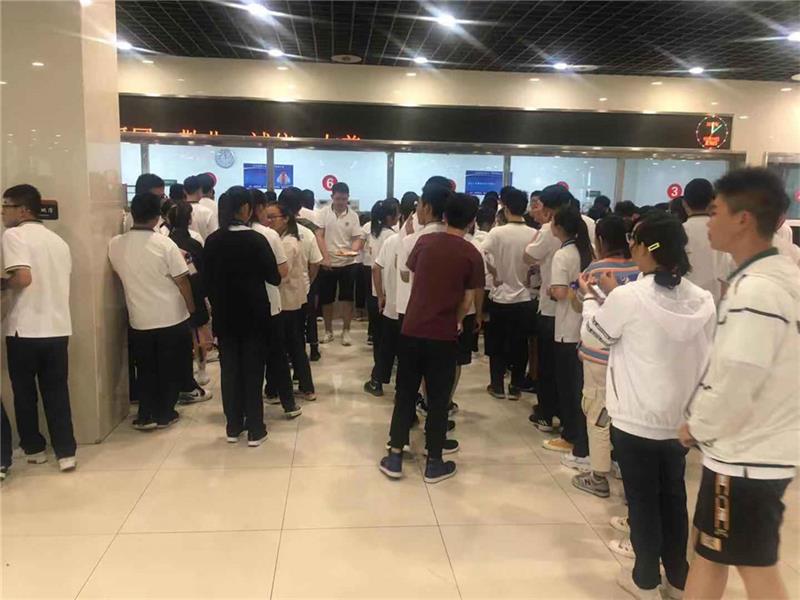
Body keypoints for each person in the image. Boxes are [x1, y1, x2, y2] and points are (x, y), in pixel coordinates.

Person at [579, 211, 716, 600]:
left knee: (641, 502)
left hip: (635, 418)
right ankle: (678, 578)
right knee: (673, 497)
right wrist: (611, 296)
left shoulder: (629, 297)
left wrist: (591, 298)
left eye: (634, 241)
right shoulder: (702, 299)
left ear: (645, 248)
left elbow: (595, 335)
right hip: (679, 419)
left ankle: (644, 580)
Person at [680, 168, 799, 600]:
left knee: (754, 566)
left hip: (747, 454)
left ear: (743, 219)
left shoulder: (757, 292)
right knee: (710, 552)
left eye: (716, 212)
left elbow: (738, 376)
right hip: (753, 449)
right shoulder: (777, 277)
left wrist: (698, 425)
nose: (708, 221)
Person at [380, 191, 484, 484]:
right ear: (472, 221)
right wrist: (456, 320)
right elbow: (467, 299)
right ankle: (434, 462)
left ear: (444, 215)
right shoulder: (472, 254)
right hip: (443, 334)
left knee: (405, 393)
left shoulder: (424, 242)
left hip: (412, 328)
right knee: (438, 399)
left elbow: (410, 276)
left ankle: (395, 455)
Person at [1, 184, 77, 471]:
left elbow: (23, 278)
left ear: (22, 210)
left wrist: (3, 283)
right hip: (58, 327)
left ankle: (34, 449)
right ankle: (66, 452)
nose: (3, 213)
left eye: (5, 207)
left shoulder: (13, 235)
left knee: (25, 393)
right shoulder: (58, 241)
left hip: (24, 329)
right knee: (57, 392)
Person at [109, 191, 195, 432]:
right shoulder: (165, 244)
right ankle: (165, 412)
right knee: (168, 368)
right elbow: (182, 280)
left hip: (139, 318)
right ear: (158, 216)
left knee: (145, 368)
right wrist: (191, 308)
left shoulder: (115, 244)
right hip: (171, 317)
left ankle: (145, 414)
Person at [203, 186, 282, 445]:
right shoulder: (256, 240)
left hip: (225, 314)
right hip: (254, 314)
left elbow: (205, 281)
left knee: (229, 370)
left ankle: (233, 426)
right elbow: (274, 277)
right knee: (253, 370)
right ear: (246, 208)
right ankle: (256, 429)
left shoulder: (213, 240)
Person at [570, 216, 639, 498]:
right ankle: (622, 463)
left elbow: (580, 304)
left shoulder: (596, 269)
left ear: (599, 240)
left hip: (598, 353)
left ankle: (598, 475)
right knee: (624, 413)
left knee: (598, 411)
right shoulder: (639, 268)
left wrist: (582, 292)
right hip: (628, 354)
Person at [547, 205, 594, 460]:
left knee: (567, 386)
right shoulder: (588, 250)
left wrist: (550, 290)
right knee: (579, 386)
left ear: (559, 227)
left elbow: (560, 292)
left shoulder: (562, 255)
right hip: (586, 327)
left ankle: (569, 435)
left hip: (567, 327)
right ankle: (580, 434)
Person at [524, 184, 572, 433]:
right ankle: (567, 415)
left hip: (551, 307)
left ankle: (546, 413)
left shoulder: (548, 229)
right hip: (578, 307)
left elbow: (528, 256)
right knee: (568, 367)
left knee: (548, 365)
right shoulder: (589, 224)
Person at [250, 190, 301, 419]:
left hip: (240, 307)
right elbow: (282, 271)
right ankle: (288, 404)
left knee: (247, 361)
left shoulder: (220, 235)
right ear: (257, 209)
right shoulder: (269, 235)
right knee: (277, 356)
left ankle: (247, 410)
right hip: (269, 303)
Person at [482, 187, 537, 400]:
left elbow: (482, 252)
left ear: (505, 208)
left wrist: (495, 273)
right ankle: (515, 385)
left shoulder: (497, 232)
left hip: (501, 296)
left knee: (497, 344)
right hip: (525, 297)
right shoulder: (533, 233)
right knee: (520, 344)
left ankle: (497, 385)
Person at [364, 194, 417, 396]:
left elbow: (376, 268)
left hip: (392, 305)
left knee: (386, 347)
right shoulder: (422, 241)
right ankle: (403, 391)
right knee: (406, 353)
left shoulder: (393, 240)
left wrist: (380, 296)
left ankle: (377, 382)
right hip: (412, 310)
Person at [265, 201, 316, 403]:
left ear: (285, 219)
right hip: (291, 299)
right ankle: (302, 386)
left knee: (288, 346)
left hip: (287, 301)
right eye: (267, 217)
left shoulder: (287, 243)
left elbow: (281, 275)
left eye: (273, 217)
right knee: (293, 345)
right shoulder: (283, 238)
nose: (269, 221)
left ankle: (280, 388)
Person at [166, 201, 214, 396]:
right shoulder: (195, 242)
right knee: (198, 333)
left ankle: (182, 374)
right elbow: (203, 270)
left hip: (172, 295)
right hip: (195, 291)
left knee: (180, 337)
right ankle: (201, 371)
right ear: (189, 220)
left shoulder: (165, 241)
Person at [317, 182, 363, 346]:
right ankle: (328, 331)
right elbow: (319, 235)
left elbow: (357, 238)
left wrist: (353, 251)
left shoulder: (353, 216)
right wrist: (325, 257)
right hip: (328, 262)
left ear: (348, 198)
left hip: (348, 263)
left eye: (344, 199)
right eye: (338, 199)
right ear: (332, 197)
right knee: (326, 299)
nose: (341, 202)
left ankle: (346, 331)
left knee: (347, 298)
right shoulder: (323, 213)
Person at [281, 188, 324, 361]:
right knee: (307, 318)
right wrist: (310, 280)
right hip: (304, 284)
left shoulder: (276, 232)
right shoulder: (307, 230)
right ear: (300, 206)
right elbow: (315, 262)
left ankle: (289, 355)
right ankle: (311, 349)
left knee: (287, 325)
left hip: (282, 287)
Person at [682, 178, 725, 305]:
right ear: (712, 202)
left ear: (684, 203)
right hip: (718, 304)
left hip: (685, 304)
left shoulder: (677, 232)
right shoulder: (726, 232)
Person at [365, 199, 400, 355]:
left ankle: (378, 362)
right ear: (389, 217)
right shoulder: (391, 236)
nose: (399, 217)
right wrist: (382, 295)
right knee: (387, 334)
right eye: (397, 214)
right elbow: (379, 267)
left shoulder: (374, 233)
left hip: (375, 287)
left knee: (377, 332)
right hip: (386, 290)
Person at [183, 175, 219, 240]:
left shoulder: (178, 210)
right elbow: (214, 235)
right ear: (200, 190)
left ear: (184, 191)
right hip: (205, 245)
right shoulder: (208, 212)